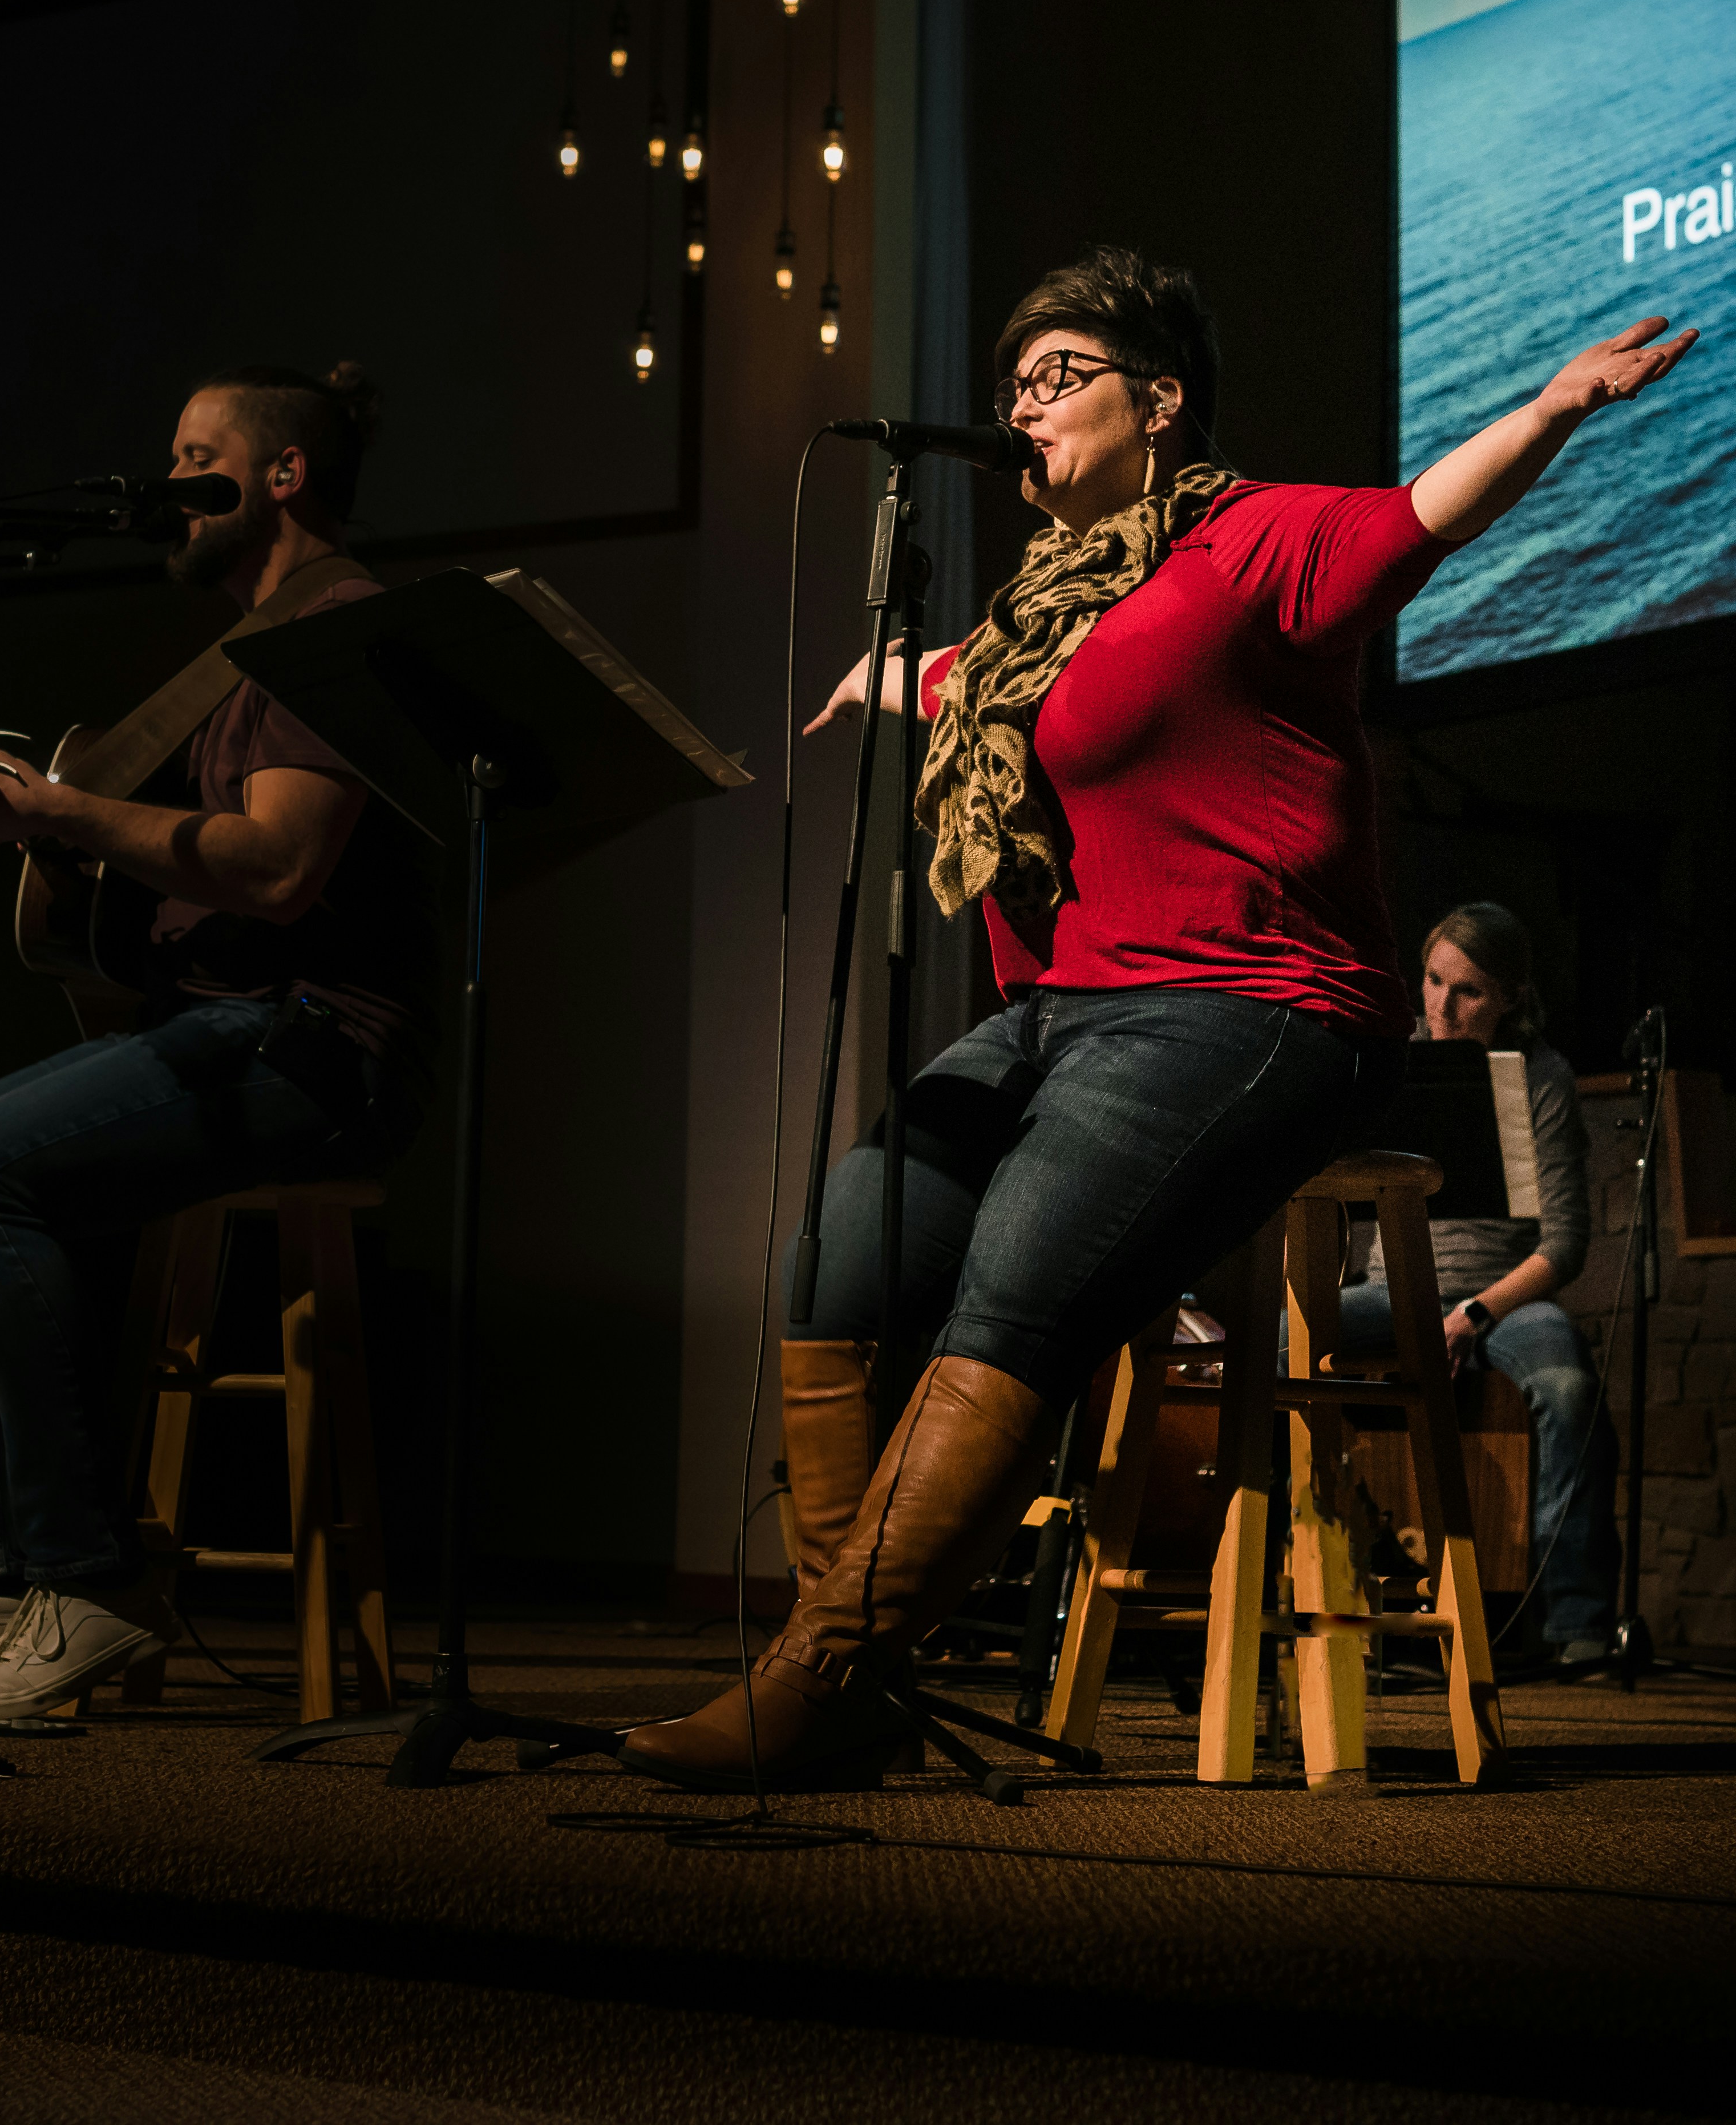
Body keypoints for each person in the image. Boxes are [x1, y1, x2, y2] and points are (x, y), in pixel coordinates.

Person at [619, 243, 1693, 1794]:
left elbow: (1419, 516)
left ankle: (827, 1671)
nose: (1025, 407)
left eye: (1061, 376)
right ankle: (850, 1668)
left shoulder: (1255, 541)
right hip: (1065, 1012)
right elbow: (992, 683)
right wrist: (894, 672)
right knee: (843, 1253)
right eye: (1015, 385)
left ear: (1163, 400)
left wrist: (1549, 409)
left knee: (1015, 1283)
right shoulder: (1043, 616)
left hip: (1256, 1004)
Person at [0, 363, 436, 1720]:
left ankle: (87, 1579)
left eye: (199, 454)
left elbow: (277, 868)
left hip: (320, 1047)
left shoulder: (332, 632)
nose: (168, 480)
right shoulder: (239, 657)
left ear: (283, 476)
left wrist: (60, 815)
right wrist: (50, 830)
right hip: (233, 1025)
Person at [1328, 902, 1618, 1661]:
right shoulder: (1397, 1061)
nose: (1442, 1008)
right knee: (1286, 1339)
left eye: (1469, 992)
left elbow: (1564, 1246)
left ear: (1510, 998)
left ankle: (1577, 1622)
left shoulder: (1540, 1076)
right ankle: (1331, 1572)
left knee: (1568, 1390)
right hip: (1395, 1290)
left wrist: (1474, 1315)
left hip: (1502, 1298)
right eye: (1433, 981)